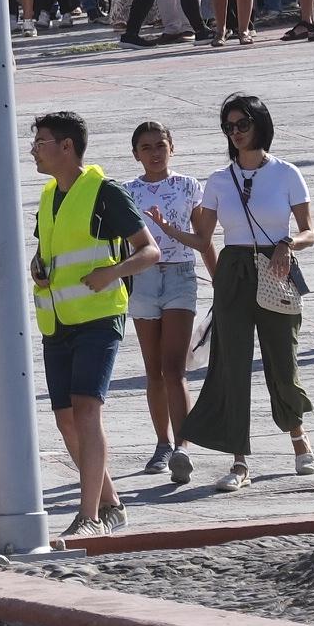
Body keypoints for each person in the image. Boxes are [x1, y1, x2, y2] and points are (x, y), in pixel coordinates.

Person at [171, 95, 314, 494]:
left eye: (242, 125)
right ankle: (239, 460)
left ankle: (298, 437)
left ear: (260, 125)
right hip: (233, 272)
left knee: (282, 360)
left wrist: (289, 244)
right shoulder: (219, 180)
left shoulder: (286, 173)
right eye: (229, 127)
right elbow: (203, 239)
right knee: (230, 366)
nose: (235, 133)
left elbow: (310, 231)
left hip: (276, 266)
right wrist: (167, 230)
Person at [26, 112, 158, 539]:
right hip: (57, 319)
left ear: (67, 147)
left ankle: (90, 517)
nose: (33, 149)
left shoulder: (106, 192)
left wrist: (112, 272)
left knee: (86, 410)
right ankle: (110, 502)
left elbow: (149, 251)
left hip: (99, 317)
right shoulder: (49, 195)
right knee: (65, 416)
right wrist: (37, 268)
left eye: (41, 142)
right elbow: (47, 252)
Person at [120, 122, 202, 476]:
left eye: (160, 145)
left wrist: (218, 276)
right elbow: (118, 241)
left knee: (174, 368)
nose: (154, 153)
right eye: (146, 147)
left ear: (173, 147)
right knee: (153, 369)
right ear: (136, 153)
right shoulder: (125, 192)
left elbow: (202, 238)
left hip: (180, 274)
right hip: (143, 278)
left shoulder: (189, 186)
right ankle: (162, 443)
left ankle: (183, 446)